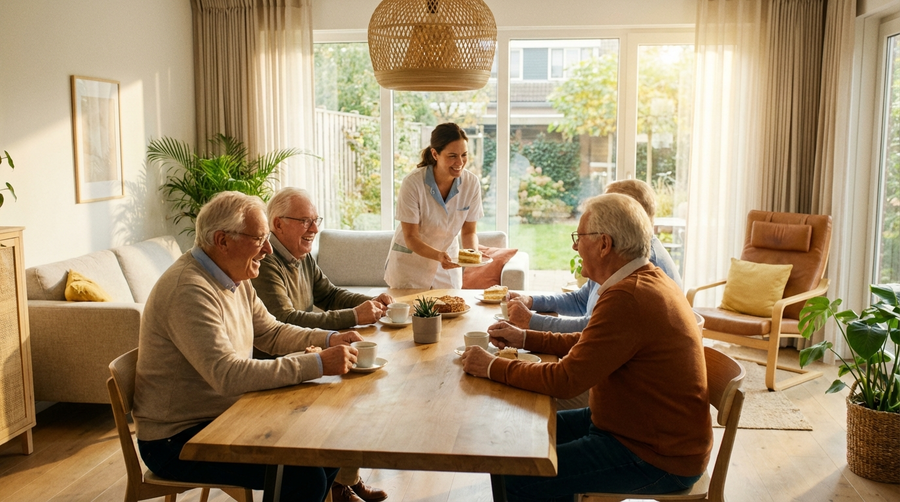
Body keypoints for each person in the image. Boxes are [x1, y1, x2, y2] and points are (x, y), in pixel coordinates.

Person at [461, 193, 712, 501]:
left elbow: (564, 381)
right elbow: (590, 341)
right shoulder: (642, 280)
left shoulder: (628, 297)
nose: (574, 246)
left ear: (604, 244)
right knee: (516, 440)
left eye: (578, 237)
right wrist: (525, 338)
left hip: (657, 456)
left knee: (518, 471)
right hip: (631, 429)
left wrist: (489, 366)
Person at [134, 191, 363, 502]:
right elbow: (228, 375)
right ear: (222, 240)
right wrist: (319, 363)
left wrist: (329, 339)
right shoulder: (189, 290)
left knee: (327, 441)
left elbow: (271, 332)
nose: (268, 249)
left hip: (224, 415)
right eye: (259, 239)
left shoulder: (233, 277)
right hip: (176, 440)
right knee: (302, 473)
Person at [250, 187, 390, 502]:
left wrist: (371, 302)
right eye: (305, 221)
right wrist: (354, 315)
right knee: (349, 398)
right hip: (277, 366)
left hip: (305, 355)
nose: (314, 228)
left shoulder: (301, 257)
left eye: (316, 220)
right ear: (278, 224)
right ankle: (340, 487)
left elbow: (329, 293)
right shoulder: (266, 262)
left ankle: (344, 482)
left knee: (359, 394)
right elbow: (284, 318)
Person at [506, 179, 683, 334]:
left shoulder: (640, 267)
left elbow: (592, 329)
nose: (574, 247)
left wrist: (531, 322)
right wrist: (531, 301)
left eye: (608, 207)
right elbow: (580, 301)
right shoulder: (618, 259)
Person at [384, 123, 484, 289]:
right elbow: (411, 237)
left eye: (464, 154)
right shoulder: (413, 183)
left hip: (448, 262)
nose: (460, 162)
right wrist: (438, 256)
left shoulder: (471, 183)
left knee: (451, 311)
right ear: (435, 154)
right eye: (452, 156)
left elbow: (469, 231)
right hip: (410, 264)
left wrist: (472, 254)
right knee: (411, 314)